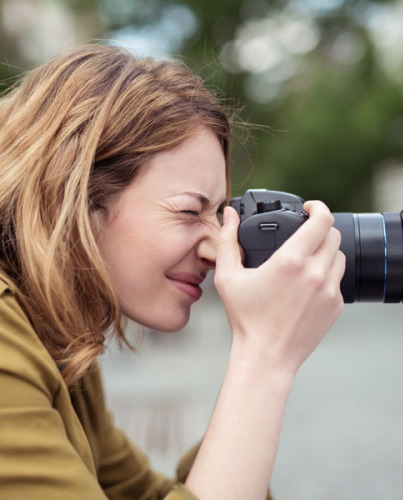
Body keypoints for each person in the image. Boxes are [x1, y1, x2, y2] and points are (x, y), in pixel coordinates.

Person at [0, 44, 345, 499]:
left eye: (219, 213)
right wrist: (264, 357)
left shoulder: (57, 338)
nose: (215, 247)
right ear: (76, 196)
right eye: (188, 211)